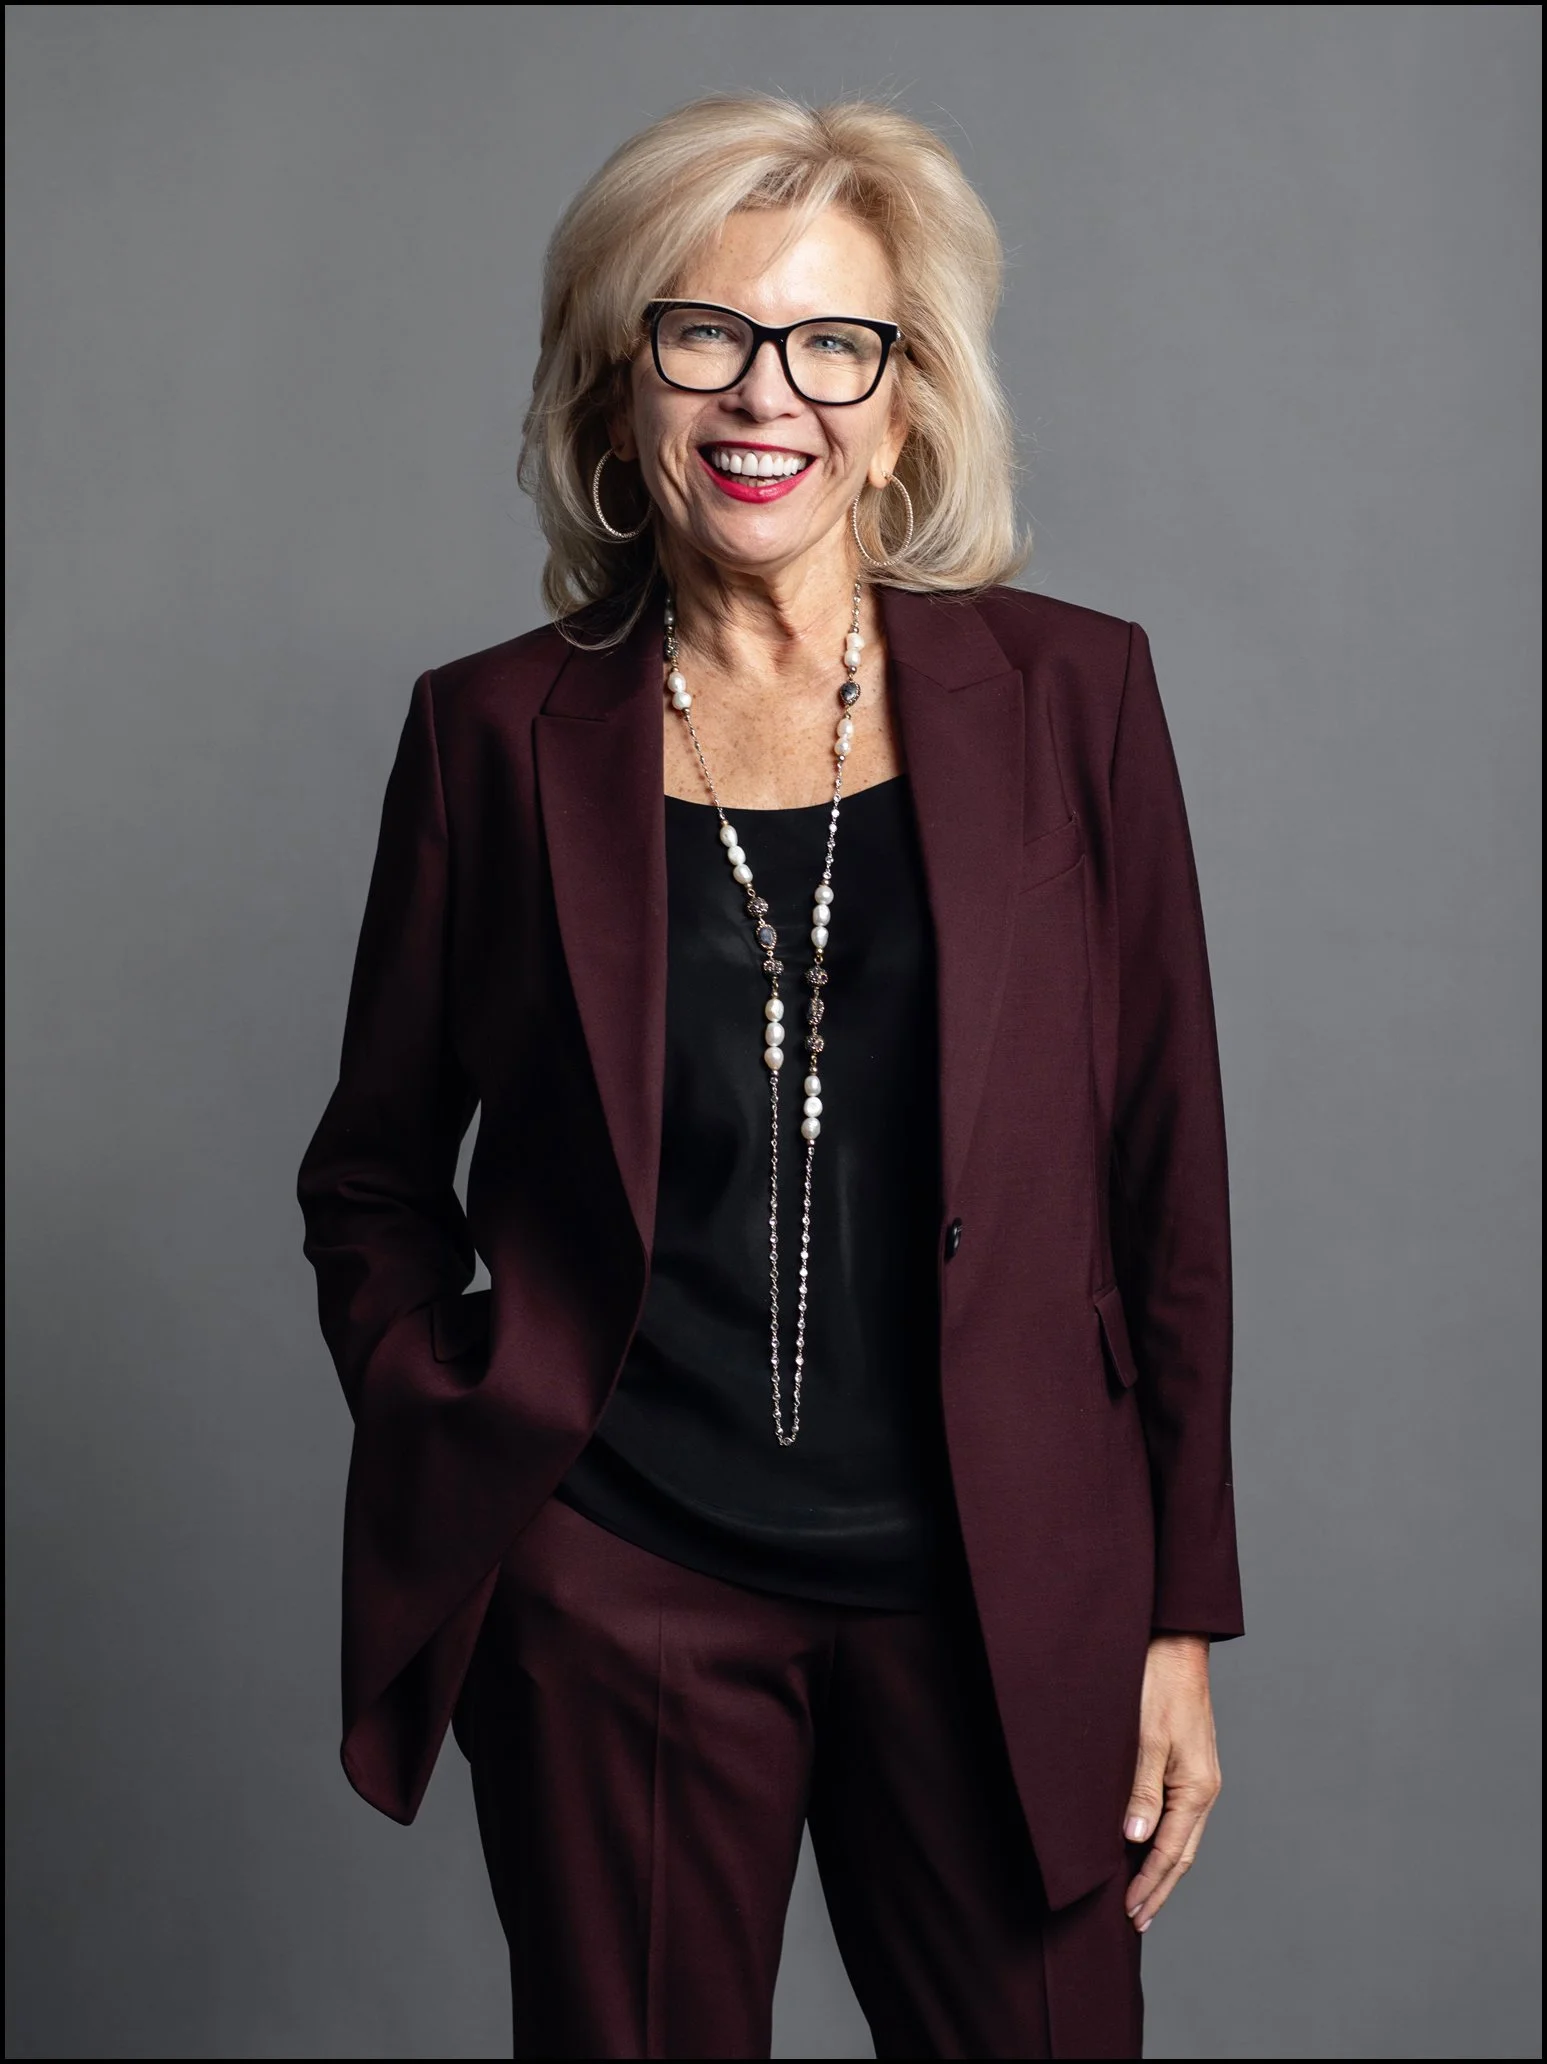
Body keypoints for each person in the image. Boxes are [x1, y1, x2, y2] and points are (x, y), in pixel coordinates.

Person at [297, 92, 1244, 2062]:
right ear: (621, 380)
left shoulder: (1073, 703)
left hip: (999, 1602)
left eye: (834, 343)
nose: (768, 396)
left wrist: (1172, 1613)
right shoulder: (491, 738)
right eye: (703, 334)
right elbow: (371, 1173)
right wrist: (468, 1420)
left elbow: (1167, 1183)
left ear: (903, 402)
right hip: (618, 1591)